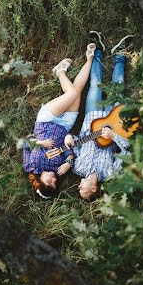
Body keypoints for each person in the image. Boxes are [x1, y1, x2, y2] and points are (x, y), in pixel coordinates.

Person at [22, 43, 97, 199]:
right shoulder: (58, 169)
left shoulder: (30, 166)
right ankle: (90, 59)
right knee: (77, 91)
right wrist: (68, 163)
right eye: (55, 184)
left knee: (71, 94)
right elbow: (69, 150)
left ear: (40, 181)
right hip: (65, 126)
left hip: (46, 121)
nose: (54, 180)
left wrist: (40, 144)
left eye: (50, 183)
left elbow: (25, 142)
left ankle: (60, 71)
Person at [65, 33, 133, 200]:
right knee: (118, 86)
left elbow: (73, 144)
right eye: (83, 189)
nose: (79, 185)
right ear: (94, 188)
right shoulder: (110, 173)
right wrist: (114, 136)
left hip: (92, 116)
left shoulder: (77, 168)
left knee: (95, 85)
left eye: (79, 188)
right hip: (113, 123)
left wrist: (69, 138)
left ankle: (98, 50)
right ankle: (120, 54)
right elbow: (128, 152)